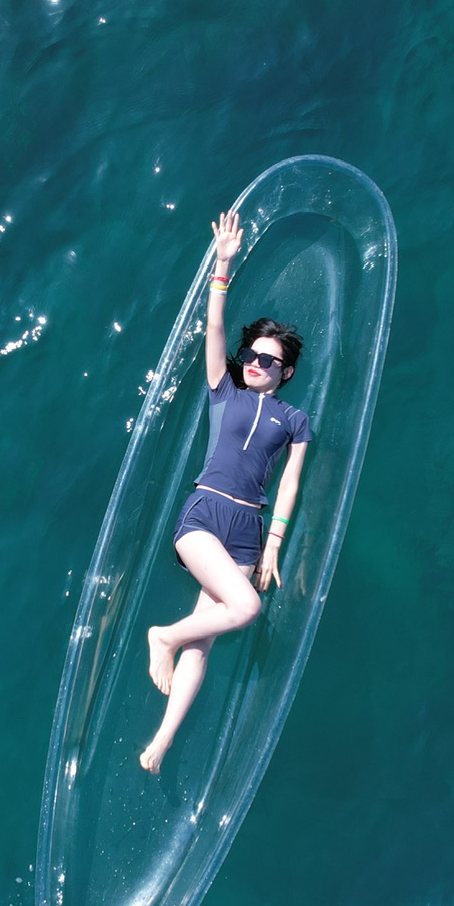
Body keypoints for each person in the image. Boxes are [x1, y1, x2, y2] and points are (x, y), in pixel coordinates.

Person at [140, 209, 310, 773]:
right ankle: (162, 636)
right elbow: (214, 329)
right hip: (205, 514)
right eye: (252, 356)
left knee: (205, 641)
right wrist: (223, 265)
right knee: (246, 608)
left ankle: (163, 739)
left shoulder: (295, 420)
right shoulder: (224, 390)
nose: (256, 364)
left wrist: (274, 545)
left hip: (248, 532)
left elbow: (290, 481)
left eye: (269, 361)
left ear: (286, 372)